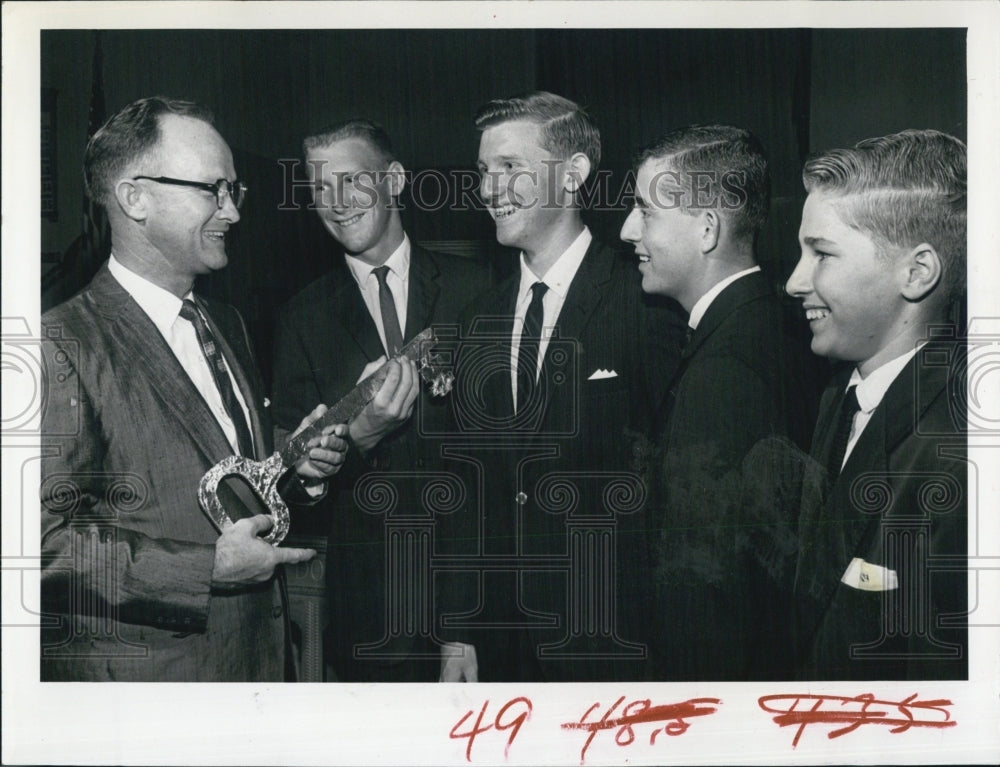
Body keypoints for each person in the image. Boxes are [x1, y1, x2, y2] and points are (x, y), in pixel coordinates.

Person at [39, 96, 348, 682]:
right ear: (135, 198)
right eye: (214, 190)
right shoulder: (60, 344)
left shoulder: (224, 322)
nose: (232, 212)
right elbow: (41, 546)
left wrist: (294, 467)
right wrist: (206, 569)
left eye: (235, 191)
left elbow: (221, 479)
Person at [437, 91, 686, 682]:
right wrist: (458, 635)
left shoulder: (645, 301)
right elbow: (465, 491)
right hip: (501, 647)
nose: (489, 189)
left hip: (614, 645)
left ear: (573, 174)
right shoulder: (478, 319)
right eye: (482, 172)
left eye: (510, 168)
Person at [271, 120, 492, 681]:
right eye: (320, 189)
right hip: (369, 617)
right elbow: (290, 489)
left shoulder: (479, 291)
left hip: (478, 603)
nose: (336, 204)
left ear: (393, 181)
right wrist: (360, 437)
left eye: (351, 181)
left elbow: (494, 467)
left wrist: (461, 625)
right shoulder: (301, 318)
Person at [618, 124, 815, 680]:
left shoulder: (724, 369)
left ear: (706, 229)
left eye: (645, 211)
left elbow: (704, 592)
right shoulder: (777, 326)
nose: (628, 228)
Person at [786, 129, 968, 680]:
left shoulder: (956, 454)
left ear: (916, 273)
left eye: (821, 254)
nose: (795, 281)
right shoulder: (838, 400)